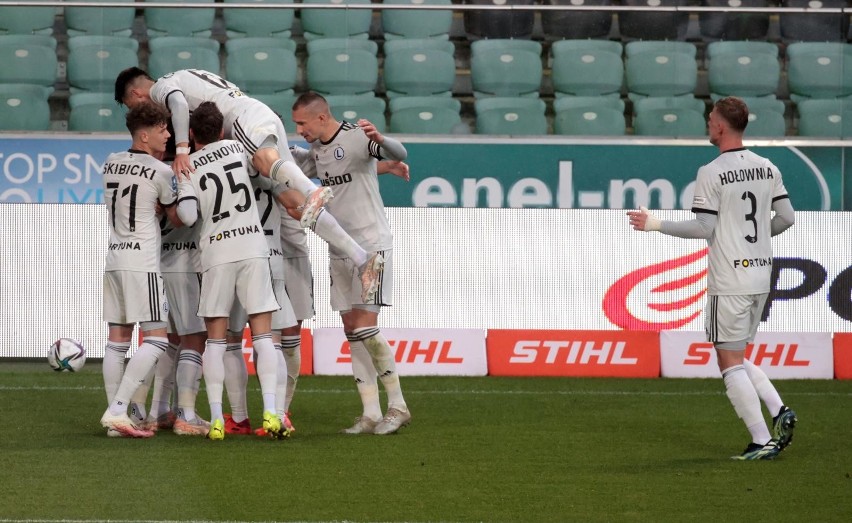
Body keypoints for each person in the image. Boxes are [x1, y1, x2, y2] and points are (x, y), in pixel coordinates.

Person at [114, 67, 385, 303]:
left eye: (130, 106)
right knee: (295, 207)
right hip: (257, 115)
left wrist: (183, 149)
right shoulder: (187, 76)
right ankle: (362, 259)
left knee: (264, 160)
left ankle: (313, 191)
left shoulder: (163, 85)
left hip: (244, 118)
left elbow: (180, 106)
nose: (138, 111)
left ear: (136, 95)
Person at [627, 96, 798, 460]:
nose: (707, 122)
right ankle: (779, 408)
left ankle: (761, 440)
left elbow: (705, 226)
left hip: (731, 278)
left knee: (727, 362)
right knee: (734, 352)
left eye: (710, 118)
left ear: (721, 126)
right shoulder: (767, 166)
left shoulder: (711, 171)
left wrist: (655, 224)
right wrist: (756, 240)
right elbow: (787, 218)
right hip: (761, 276)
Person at [291, 91, 412, 435]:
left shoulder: (357, 137)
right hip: (339, 249)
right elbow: (334, 170)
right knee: (352, 332)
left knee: (364, 327)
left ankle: (398, 406)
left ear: (321, 117)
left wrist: (383, 141)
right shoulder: (317, 149)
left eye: (301, 123)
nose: (299, 129)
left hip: (371, 246)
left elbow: (399, 152)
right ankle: (370, 413)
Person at [174, 101, 291, 440]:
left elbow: (189, 216)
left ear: (192, 133)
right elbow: (263, 172)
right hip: (254, 248)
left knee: (217, 340)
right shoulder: (239, 148)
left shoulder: (188, 166)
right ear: (222, 130)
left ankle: (216, 420)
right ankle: (271, 412)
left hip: (218, 253)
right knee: (265, 337)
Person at [99, 102, 178, 438]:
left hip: (115, 259)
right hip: (142, 263)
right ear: (144, 135)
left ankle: (120, 421)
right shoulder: (162, 172)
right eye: (162, 130)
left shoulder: (110, 162)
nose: (169, 135)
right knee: (158, 339)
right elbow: (178, 217)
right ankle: (117, 409)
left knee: (117, 342)